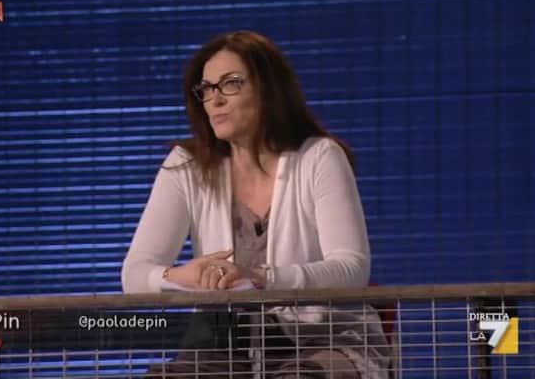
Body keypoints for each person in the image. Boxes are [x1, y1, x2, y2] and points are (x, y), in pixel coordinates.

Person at [122, 30, 390, 379]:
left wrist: (263, 278)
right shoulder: (186, 166)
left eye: (230, 84)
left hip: (326, 339)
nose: (215, 100)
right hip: (225, 345)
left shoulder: (319, 157)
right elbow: (134, 273)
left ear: (269, 89)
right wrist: (177, 276)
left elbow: (352, 268)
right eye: (206, 89)